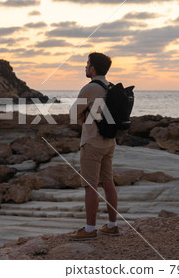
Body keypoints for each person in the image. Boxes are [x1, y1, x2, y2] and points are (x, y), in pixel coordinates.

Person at [68, 52, 119, 240]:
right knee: (108, 183)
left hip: (92, 142)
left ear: (93, 68)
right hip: (109, 141)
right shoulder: (111, 87)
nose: (85, 67)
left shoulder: (90, 88)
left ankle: (90, 229)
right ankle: (112, 225)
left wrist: (82, 116)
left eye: (87, 64)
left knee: (90, 186)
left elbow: (73, 114)